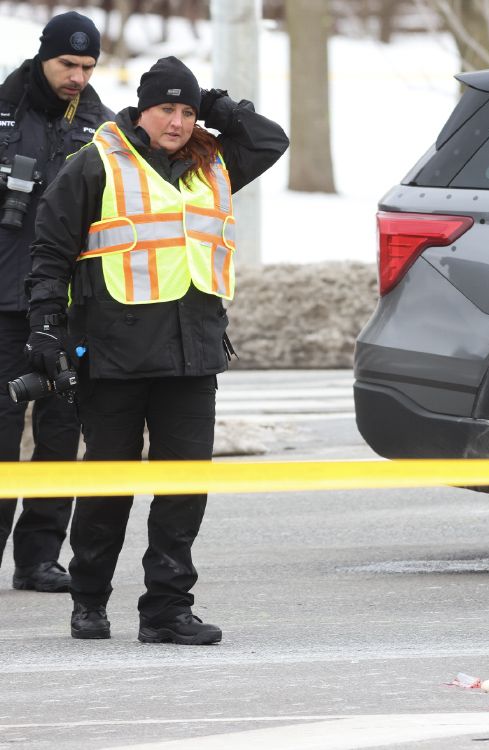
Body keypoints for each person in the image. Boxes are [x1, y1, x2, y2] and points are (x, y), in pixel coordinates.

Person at [24, 56, 289, 643]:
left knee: (185, 487)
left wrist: (216, 106)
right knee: (109, 486)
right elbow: (50, 249)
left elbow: (270, 139)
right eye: (167, 108)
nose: (177, 121)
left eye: (188, 111)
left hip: (192, 354)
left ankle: (167, 608)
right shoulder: (96, 162)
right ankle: (89, 599)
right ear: (142, 109)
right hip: (114, 353)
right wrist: (45, 324)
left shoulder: (211, 164)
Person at [0, 11, 113, 593]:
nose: (78, 76)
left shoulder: (102, 127)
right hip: (3, 302)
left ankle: (39, 558)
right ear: (43, 56)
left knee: (60, 433)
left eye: (88, 66)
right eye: (68, 64)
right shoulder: (3, 110)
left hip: (69, 307)